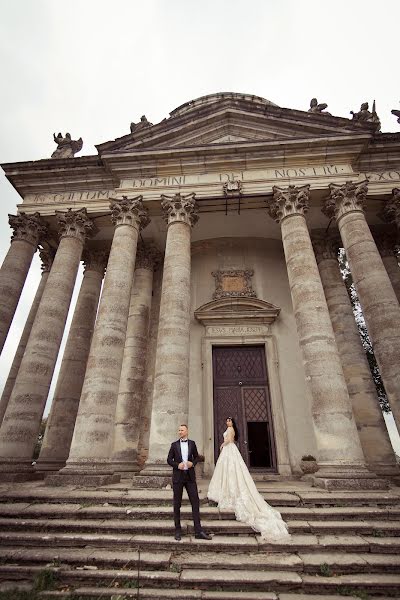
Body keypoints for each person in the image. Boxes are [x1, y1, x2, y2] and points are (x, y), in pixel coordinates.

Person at [207, 417, 290, 541]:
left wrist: (222, 445)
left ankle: (228, 491)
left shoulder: (230, 429)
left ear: (232, 422)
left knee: (231, 470)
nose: (227, 422)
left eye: (229, 421)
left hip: (229, 449)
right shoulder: (230, 428)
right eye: (227, 421)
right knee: (230, 470)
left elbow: (230, 440)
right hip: (229, 451)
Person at [167, 424, 212, 541]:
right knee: (177, 504)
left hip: (190, 478)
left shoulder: (192, 443)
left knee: (195, 503)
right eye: (179, 430)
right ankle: (177, 530)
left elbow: (197, 457)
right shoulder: (174, 445)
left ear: (187, 431)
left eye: (182, 430)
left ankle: (198, 531)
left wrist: (193, 463)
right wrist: (177, 465)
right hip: (178, 478)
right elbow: (169, 460)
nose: (180, 432)